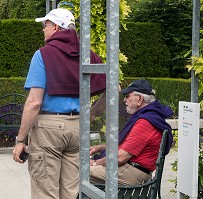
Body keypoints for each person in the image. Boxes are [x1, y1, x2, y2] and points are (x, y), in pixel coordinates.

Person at [12, 8, 106, 199]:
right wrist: (92, 114)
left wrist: (20, 140)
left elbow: (34, 102)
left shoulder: (43, 55)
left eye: (44, 25)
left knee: (45, 192)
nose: (42, 30)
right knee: (70, 193)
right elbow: (115, 89)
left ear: (55, 27)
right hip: (77, 129)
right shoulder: (88, 55)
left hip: (48, 130)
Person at [89, 79, 174, 185]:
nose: (124, 100)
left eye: (127, 96)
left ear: (139, 99)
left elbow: (121, 157)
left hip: (130, 173)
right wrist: (101, 148)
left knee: (75, 170)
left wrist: (95, 163)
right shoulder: (149, 116)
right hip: (131, 170)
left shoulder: (145, 122)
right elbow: (128, 146)